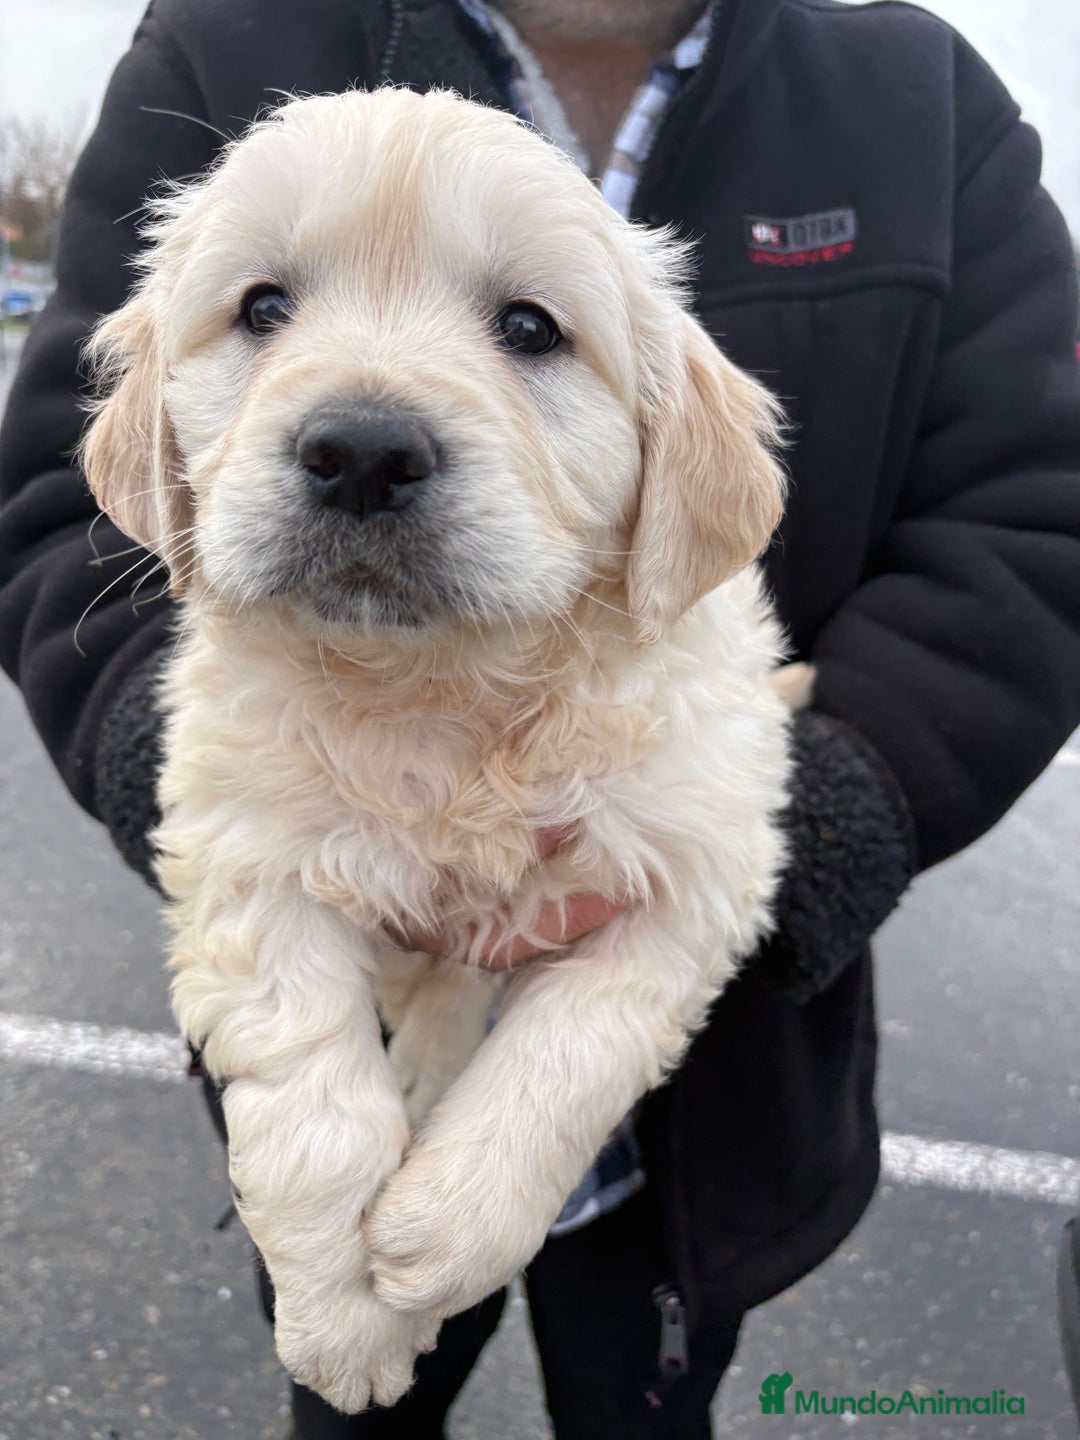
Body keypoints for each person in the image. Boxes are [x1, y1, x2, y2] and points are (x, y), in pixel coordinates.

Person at [1, 1, 1078, 1436]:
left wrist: (810, 822)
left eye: (526, 328)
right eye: (266, 308)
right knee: (349, 1380)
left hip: (724, 1105)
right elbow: (55, 522)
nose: (364, 425)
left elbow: (1036, 520)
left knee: (648, 1400)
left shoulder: (921, 94)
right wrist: (239, 810)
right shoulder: (225, 38)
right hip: (351, 1058)